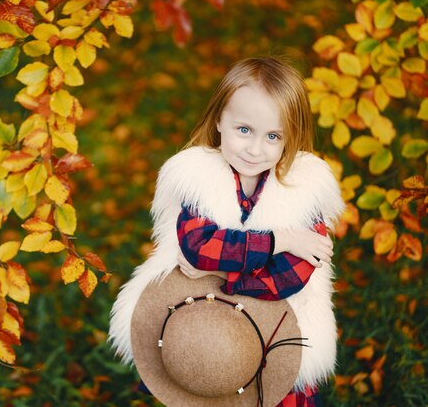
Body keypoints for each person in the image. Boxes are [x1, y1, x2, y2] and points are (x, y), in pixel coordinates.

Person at [108, 57, 345, 407]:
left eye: (273, 136)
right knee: (209, 386)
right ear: (219, 119)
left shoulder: (303, 192)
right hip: (207, 337)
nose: (254, 148)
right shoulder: (199, 182)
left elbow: (290, 276)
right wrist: (281, 241)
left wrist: (220, 272)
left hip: (273, 336)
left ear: (289, 138)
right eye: (244, 130)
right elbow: (199, 247)